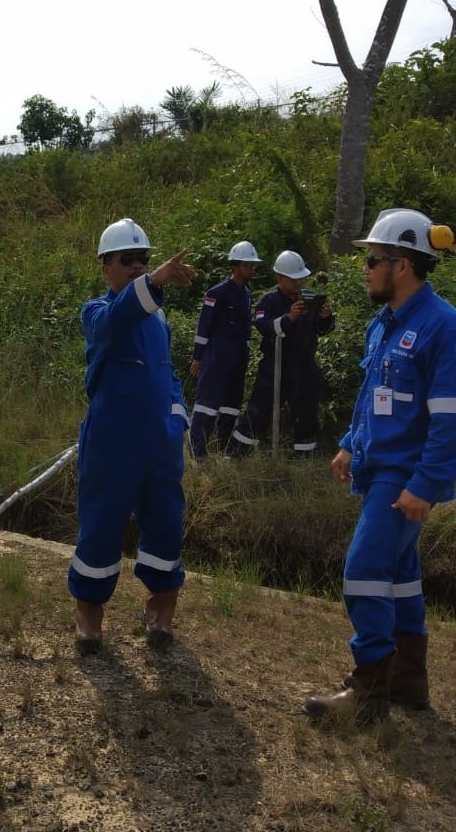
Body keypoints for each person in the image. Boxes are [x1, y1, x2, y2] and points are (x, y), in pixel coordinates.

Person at [304, 208, 456, 724]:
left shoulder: (445, 329)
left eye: (373, 259)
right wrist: (349, 443)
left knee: (363, 571)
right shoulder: (386, 324)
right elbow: (374, 397)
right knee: (400, 579)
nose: (365, 269)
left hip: (405, 478)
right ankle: (408, 682)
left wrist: (425, 485)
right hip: (380, 469)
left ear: (402, 265)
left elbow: (455, 423)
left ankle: (369, 689)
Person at [70, 217, 198, 654]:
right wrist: (155, 280)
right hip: (111, 441)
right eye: (127, 260)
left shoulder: (157, 319)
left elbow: (169, 374)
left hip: (159, 443)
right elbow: (115, 320)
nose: (138, 266)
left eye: (143, 260)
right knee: (101, 525)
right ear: (106, 267)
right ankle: (89, 612)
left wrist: (178, 416)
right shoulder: (97, 313)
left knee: (164, 523)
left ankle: (161, 604)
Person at [229, 250, 334, 457]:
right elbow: (264, 327)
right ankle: (237, 454)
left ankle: (304, 458)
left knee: (307, 414)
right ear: (279, 278)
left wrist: (325, 317)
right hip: (275, 367)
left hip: (304, 368)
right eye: (293, 279)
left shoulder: (309, 299)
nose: (298, 283)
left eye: (301, 279)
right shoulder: (268, 302)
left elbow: (323, 330)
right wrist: (290, 318)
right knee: (258, 411)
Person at [188, 241, 259, 460]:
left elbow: (246, 328)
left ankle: (223, 448)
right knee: (208, 403)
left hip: (238, 359)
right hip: (216, 357)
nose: (251, 269)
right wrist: (198, 357)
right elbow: (204, 326)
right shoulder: (217, 293)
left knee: (231, 405)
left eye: (252, 266)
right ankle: (198, 449)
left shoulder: (246, 293)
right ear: (234, 266)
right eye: (246, 265)